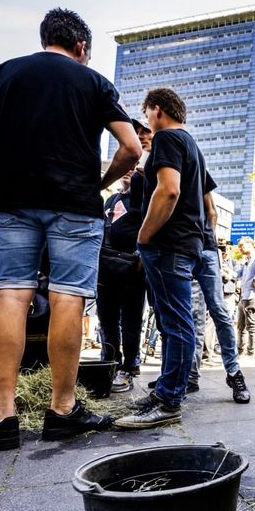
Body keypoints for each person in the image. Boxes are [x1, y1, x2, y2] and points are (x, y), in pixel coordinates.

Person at [0, 8, 140, 449]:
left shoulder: (5, 73)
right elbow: (131, 147)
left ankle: (2, 416)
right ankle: (62, 409)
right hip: (74, 206)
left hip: (12, 201)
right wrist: (94, 183)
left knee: (9, 293)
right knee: (68, 297)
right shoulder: (93, 81)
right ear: (82, 47)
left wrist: (8, 169)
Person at [114, 88, 205, 427]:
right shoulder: (190, 143)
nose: (147, 121)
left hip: (168, 244)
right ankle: (166, 391)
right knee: (174, 322)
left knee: (175, 323)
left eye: (147, 113)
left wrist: (144, 234)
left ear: (157, 109)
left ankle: (169, 400)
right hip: (185, 243)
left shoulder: (167, 139)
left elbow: (168, 190)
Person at [186, 172, 252, 404]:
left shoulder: (193, 161)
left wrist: (209, 240)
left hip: (203, 247)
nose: (144, 136)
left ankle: (234, 374)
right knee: (191, 316)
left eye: (147, 132)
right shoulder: (151, 167)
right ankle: (190, 376)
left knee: (219, 311)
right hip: (180, 249)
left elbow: (212, 211)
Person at [97, 159, 146, 394]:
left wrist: (140, 256)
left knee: (131, 321)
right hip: (106, 268)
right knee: (106, 320)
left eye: (134, 165)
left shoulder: (142, 197)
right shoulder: (111, 200)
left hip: (132, 269)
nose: (129, 169)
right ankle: (110, 362)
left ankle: (128, 366)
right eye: (126, 165)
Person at [235, 237, 255, 357]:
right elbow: (237, 273)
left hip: (252, 296)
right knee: (241, 326)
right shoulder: (246, 260)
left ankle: (251, 352)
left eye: (242, 245)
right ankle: (241, 351)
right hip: (243, 297)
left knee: (251, 326)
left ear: (250, 245)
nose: (240, 248)